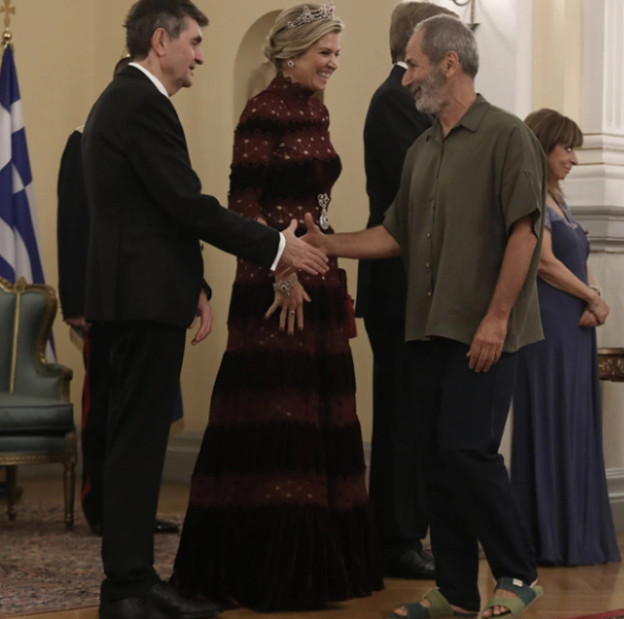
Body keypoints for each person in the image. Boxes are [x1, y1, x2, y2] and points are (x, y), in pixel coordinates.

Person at [81, 1, 329, 618]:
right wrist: (277, 248)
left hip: (144, 294)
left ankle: (133, 583)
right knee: (137, 446)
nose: (200, 56)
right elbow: (188, 204)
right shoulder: (138, 102)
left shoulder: (131, 101)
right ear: (160, 41)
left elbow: (155, 210)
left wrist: (193, 282)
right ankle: (128, 589)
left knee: (136, 443)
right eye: (193, 42)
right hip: (141, 300)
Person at [303, 14, 546, 619]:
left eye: (413, 65)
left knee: (468, 451)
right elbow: (395, 234)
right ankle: (456, 593)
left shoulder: (508, 135)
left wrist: (496, 318)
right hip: (426, 328)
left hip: (483, 330)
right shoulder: (421, 148)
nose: (406, 77)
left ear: (449, 63)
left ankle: (518, 574)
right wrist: (329, 245)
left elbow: (524, 233)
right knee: (435, 459)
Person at [171, 2, 383, 612]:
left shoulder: (316, 107)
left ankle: (325, 567)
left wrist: (321, 256)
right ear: (292, 54)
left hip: (316, 275)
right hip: (273, 285)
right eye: (325, 53)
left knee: (316, 413)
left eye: (337, 54)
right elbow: (242, 204)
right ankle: (272, 573)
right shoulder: (262, 109)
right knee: (279, 415)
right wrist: (282, 271)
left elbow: (316, 199)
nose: (333, 64)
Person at [56, 56, 179, 539]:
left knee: (139, 414)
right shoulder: (84, 138)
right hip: (102, 299)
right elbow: (74, 226)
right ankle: (99, 503)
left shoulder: (151, 138)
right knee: (104, 406)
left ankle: (132, 510)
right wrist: (77, 303)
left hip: (144, 296)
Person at [357, 1, 456, 581]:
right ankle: (395, 538)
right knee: (401, 416)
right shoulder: (395, 100)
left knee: (420, 414)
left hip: (423, 286)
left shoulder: (416, 99)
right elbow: (414, 193)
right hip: (398, 285)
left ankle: (411, 528)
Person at [510, 109, 621, 567]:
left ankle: (575, 532)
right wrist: (591, 297)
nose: (574, 158)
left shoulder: (560, 201)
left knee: (574, 422)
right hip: (547, 326)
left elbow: (578, 258)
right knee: (552, 419)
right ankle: (548, 536)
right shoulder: (530, 195)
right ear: (543, 147)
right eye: (567, 148)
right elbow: (543, 263)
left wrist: (594, 298)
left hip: (574, 327)